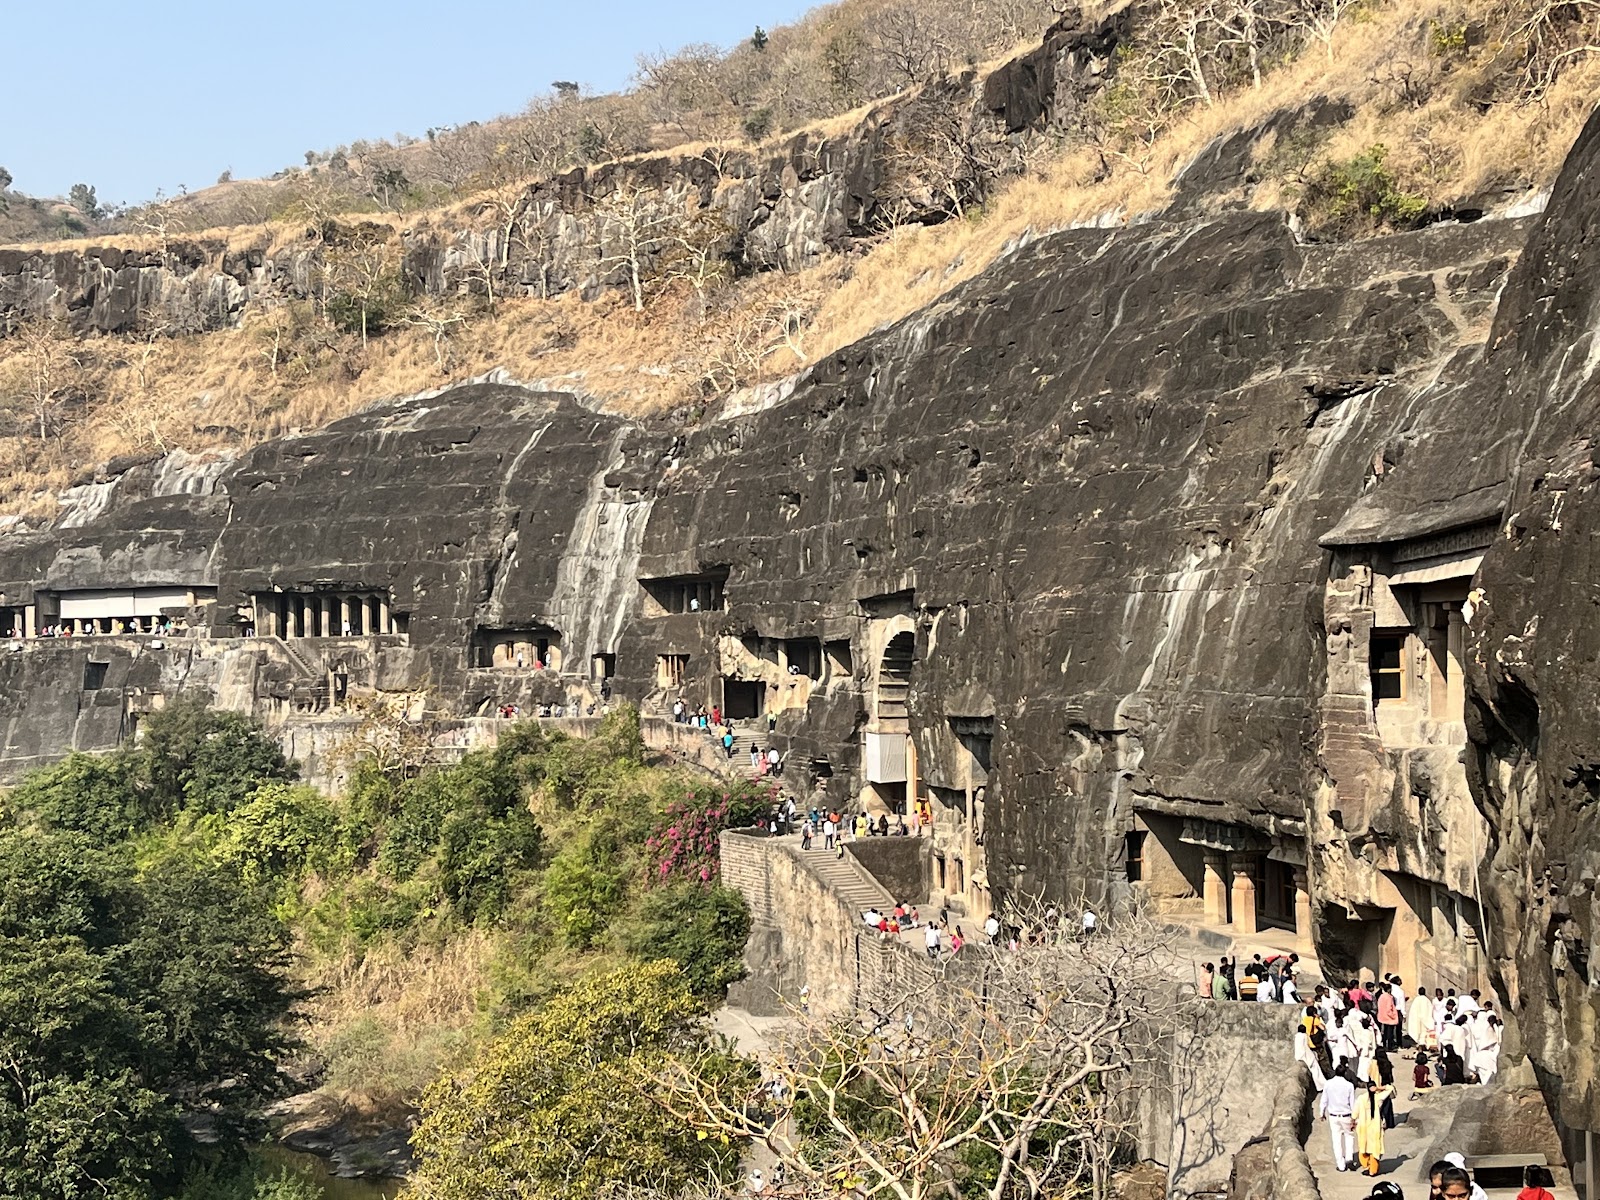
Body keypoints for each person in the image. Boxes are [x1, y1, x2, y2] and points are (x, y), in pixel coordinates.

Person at [1321, 1065, 1359, 1172]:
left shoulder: (1328, 1084)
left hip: (1333, 1115)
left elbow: (1324, 1099)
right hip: (1346, 1115)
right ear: (1345, 1073)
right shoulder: (1349, 1085)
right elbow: (1352, 1103)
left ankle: (1341, 1165)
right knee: (1349, 1136)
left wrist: (1322, 1112)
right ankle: (1349, 1158)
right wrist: (1354, 1117)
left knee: (1336, 1140)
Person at [1355, 1074, 1393, 1176]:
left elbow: (1355, 1113)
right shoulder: (1379, 1097)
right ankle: (1373, 1170)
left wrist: (1352, 1121)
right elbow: (1390, 1088)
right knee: (1374, 1149)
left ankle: (1366, 1166)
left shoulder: (1361, 1098)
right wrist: (1379, 1088)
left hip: (1363, 1127)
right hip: (1375, 1127)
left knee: (1363, 1147)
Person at [1407, 985, 1437, 1052]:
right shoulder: (1427, 1000)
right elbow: (1430, 1010)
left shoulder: (1416, 1000)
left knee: (1418, 1032)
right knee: (1424, 1033)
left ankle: (1420, 1047)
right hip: (1425, 1020)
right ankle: (1423, 1046)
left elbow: (1413, 1011)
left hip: (1417, 1020)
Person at [1377, 984, 1401, 1051]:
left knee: (1384, 1032)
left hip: (1383, 1016)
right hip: (1389, 1018)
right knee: (1390, 1034)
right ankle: (1390, 1047)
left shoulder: (1381, 996)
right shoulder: (1389, 997)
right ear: (1389, 989)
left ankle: (1385, 1045)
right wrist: (1393, 1015)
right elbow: (1389, 1008)